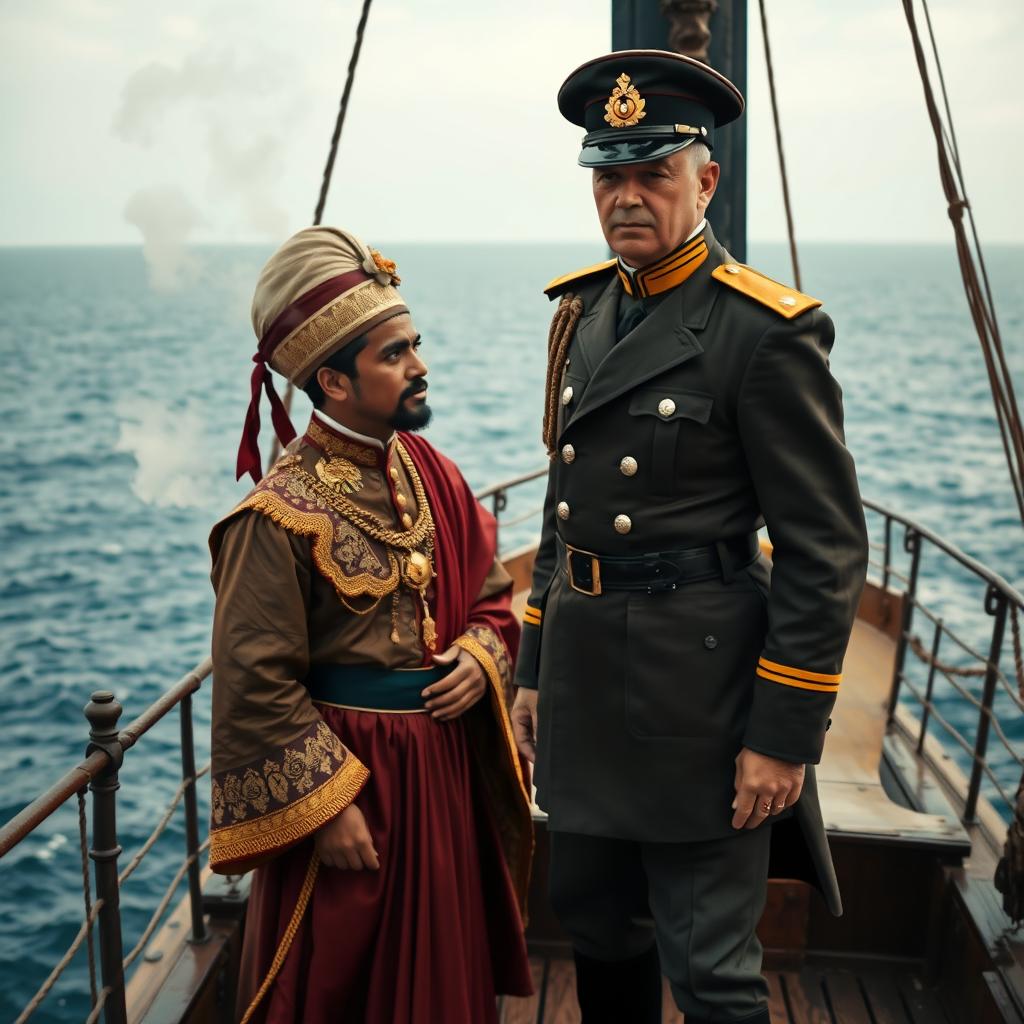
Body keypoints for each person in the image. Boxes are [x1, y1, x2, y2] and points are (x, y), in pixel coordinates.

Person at [510, 50, 869, 1024]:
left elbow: (825, 548)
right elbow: (562, 509)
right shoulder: (582, 311)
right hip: (587, 684)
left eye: (651, 173)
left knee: (711, 967)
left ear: (704, 180)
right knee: (595, 924)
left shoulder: (764, 333)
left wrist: (780, 737)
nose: (626, 197)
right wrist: (533, 665)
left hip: (697, 701)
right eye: (607, 174)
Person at [208, 226, 533, 1023]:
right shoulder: (274, 518)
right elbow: (255, 683)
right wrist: (327, 809)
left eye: (414, 344)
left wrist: (477, 656)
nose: (420, 366)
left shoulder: (434, 473)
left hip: (442, 775)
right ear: (334, 380)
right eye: (395, 354)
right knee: (340, 988)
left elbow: (493, 596)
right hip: (359, 789)